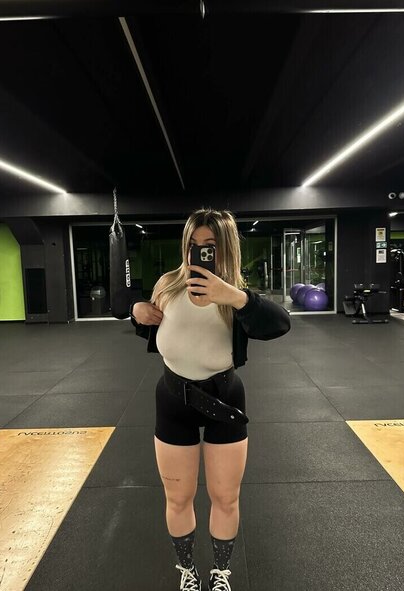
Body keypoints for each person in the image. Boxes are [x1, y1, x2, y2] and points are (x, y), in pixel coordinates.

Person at [130, 208, 291, 591]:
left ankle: (221, 573)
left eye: (210, 246)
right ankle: (187, 571)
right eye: (193, 244)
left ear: (226, 248)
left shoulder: (237, 295)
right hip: (173, 399)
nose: (199, 252)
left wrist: (232, 295)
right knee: (177, 497)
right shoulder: (168, 285)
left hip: (225, 399)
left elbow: (280, 323)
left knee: (226, 497)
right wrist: (137, 312)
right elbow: (153, 327)